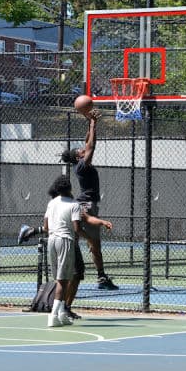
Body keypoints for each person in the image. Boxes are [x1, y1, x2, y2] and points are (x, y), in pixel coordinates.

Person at [18, 175, 112, 327]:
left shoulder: (52, 203)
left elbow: (47, 227)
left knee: (61, 278)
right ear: (70, 188)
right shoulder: (73, 204)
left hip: (52, 241)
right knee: (64, 280)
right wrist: (89, 238)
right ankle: (54, 315)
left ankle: (62, 312)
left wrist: (101, 222)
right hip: (65, 241)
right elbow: (77, 228)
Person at [59, 109, 120, 291]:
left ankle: (76, 273)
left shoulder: (80, 164)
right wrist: (92, 124)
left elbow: (88, 142)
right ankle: (99, 277)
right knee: (94, 244)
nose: (82, 148)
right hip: (86, 205)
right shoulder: (82, 167)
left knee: (79, 241)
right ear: (78, 157)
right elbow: (91, 146)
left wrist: (91, 121)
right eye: (79, 150)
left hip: (83, 203)